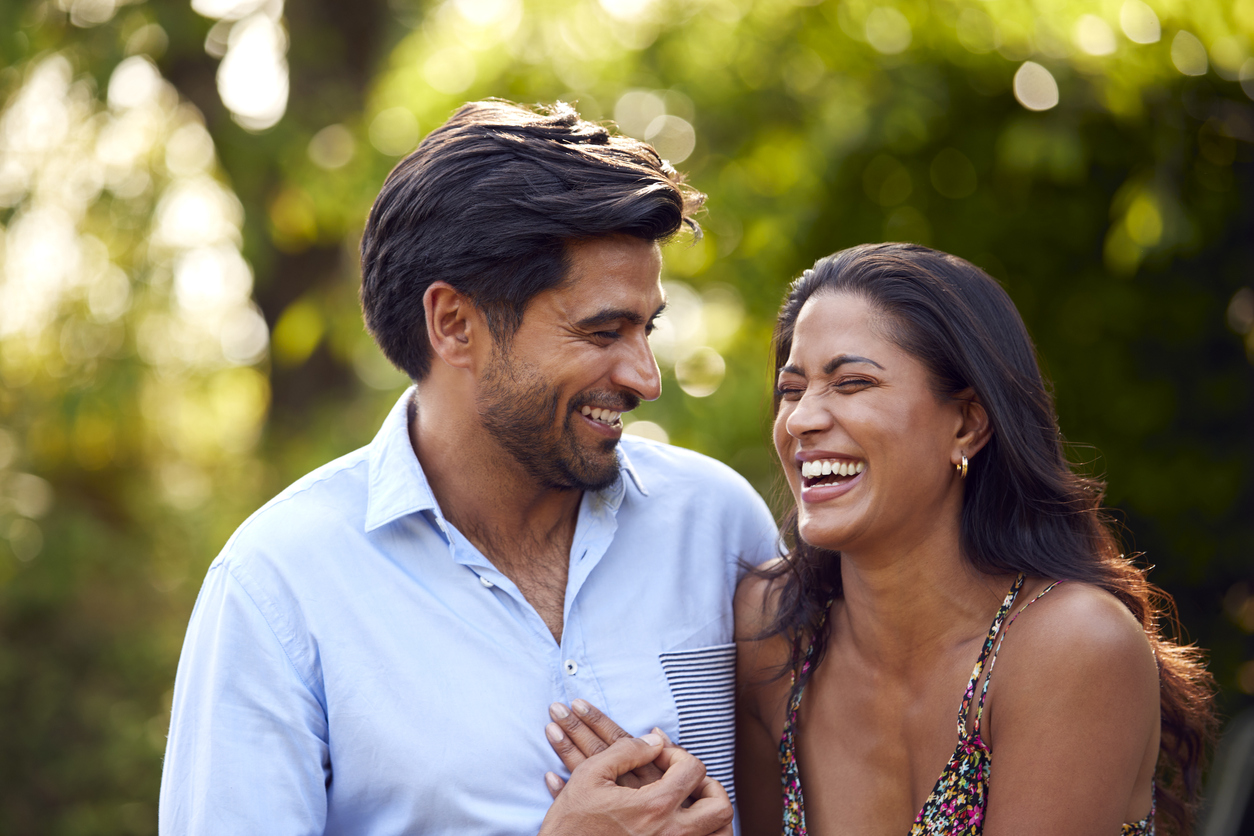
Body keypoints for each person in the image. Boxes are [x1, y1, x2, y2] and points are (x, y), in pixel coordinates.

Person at [158, 100, 778, 836]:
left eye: (647, 329)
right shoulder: (277, 588)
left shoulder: (720, 524)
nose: (646, 379)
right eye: (603, 331)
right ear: (455, 323)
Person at [547, 243, 1216, 835]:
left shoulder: (1069, 647)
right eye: (792, 389)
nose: (804, 419)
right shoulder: (772, 634)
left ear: (966, 425)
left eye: (853, 382)